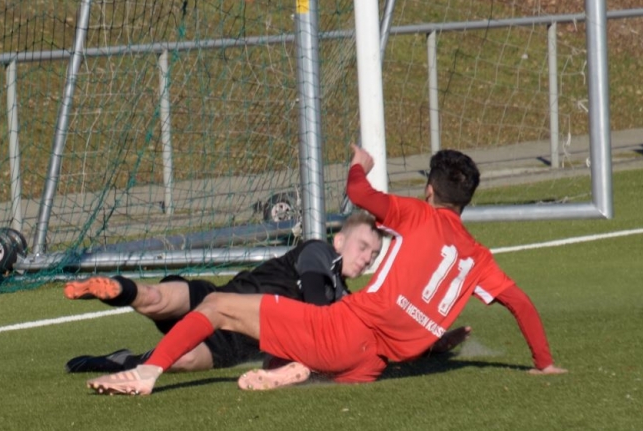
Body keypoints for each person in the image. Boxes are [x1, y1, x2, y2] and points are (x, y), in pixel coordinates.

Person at [85, 145, 567, 395]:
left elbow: (359, 197)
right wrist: (543, 363)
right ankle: (291, 371)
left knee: (216, 305)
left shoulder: (418, 215)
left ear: (428, 191)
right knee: (299, 342)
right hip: (372, 367)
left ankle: (147, 373)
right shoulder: (478, 258)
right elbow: (520, 304)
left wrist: (359, 164)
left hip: (342, 333)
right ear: (466, 202)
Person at [63, 211, 386, 374]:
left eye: (373, 255)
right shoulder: (321, 254)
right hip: (217, 300)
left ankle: (118, 360)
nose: (366, 258)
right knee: (155, 299)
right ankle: (115, 289)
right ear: (340, 241)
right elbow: (317, 307)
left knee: (184, 360)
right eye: (362, 247)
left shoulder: (341, 296)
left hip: (233, 343)